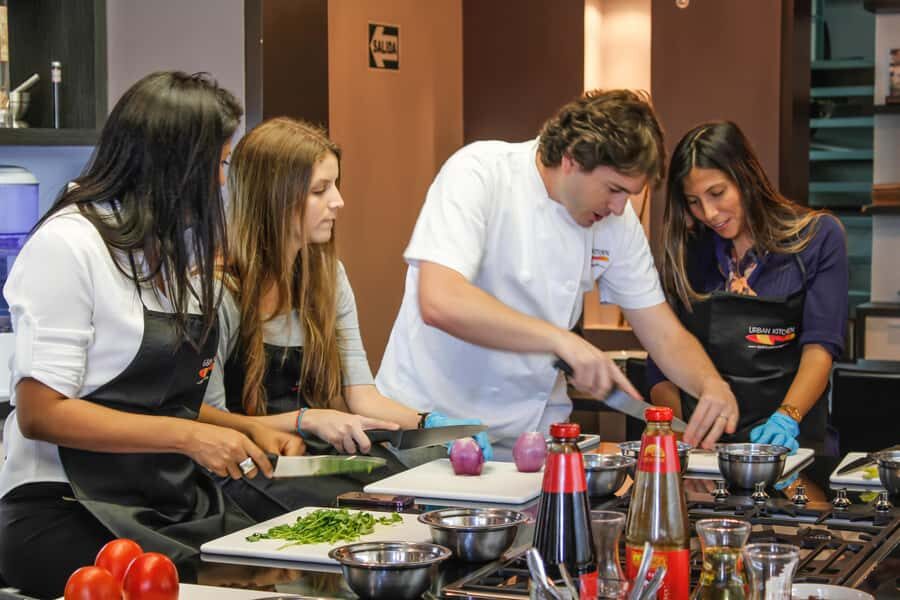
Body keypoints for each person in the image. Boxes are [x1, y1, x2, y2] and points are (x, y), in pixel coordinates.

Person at [0, 72, 294, 598]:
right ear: (175, 164)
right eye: (220, 164)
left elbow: (154, 397)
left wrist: (241, 427)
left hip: (160, 496)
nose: (224, 182)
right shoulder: (69, 247)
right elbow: (41, 411)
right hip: (64, 509)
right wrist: (189, 437)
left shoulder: (164, 250)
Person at [376, 89, 740, 460]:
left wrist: (710, 383)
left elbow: (662, 332)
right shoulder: (479, 172)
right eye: (613, 189)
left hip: (526, 438)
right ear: (571, 159)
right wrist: (561, 341)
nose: (619, 208)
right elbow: (441, 301)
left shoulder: (615, 221)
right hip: (430, 427)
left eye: (629, 195)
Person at [201, 117, 491, 520]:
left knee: (428, 481)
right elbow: (210, 419)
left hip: (317, 458)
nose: (338, 201)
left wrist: (433, 423)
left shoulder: (328, 277)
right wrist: (307, 420)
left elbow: (361, 395)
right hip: (251, 469)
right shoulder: (218, 292)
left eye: (335, 185)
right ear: (273, 197)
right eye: (320, 190)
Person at [647, 121, 848, 453]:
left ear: (746, 176)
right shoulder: (687, 253)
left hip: (793, 444)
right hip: (705, 452)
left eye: (717, 193)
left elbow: (820, 348)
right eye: (694, 201)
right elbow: (660, 362)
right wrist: (680, 431)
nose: (709, 213)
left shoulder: (818, 238)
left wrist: (787, 418)